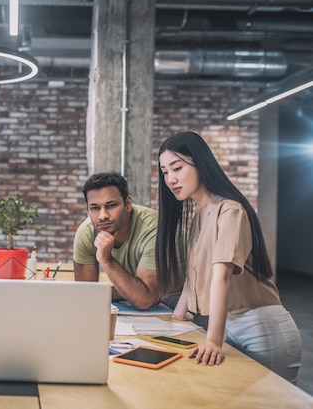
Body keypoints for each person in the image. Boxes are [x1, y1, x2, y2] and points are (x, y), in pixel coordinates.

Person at [156, 131, 302, 383]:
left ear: (200, 163)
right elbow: (193, 278)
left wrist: (213, 340)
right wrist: (176, 318)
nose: (171, 179)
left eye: (177, 168)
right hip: (230, 327)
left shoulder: (230, 210)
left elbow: (220, 276)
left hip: (261, 329)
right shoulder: (200, 216)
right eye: (165, 172)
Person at [73, 172, 166, 310]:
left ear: (128, 204)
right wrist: (127, 292)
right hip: (142, 304)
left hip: (181, 299)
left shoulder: (154, 229)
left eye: (111, 205)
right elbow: (86, 294)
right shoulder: (86, 232)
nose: (103, 215)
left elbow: (144, 300)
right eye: (95, 208)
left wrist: (107, 260)